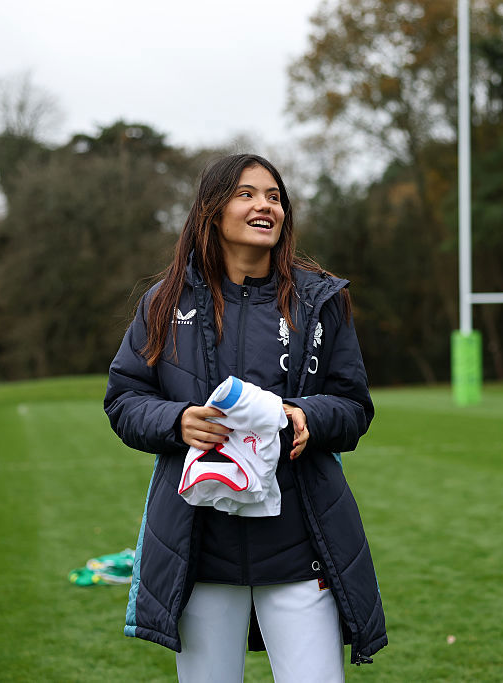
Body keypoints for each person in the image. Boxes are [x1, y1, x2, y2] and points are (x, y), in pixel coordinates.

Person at [104, 153, 386, 682]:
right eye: (247, 193)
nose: (265, 206)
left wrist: (305, 416)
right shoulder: (163, 303)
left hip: (301, 546)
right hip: (200, 548)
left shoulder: (319, 300)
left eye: (274, 196)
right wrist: (177, 420)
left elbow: (353, 406)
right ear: (212, 212)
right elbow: (123, 399)